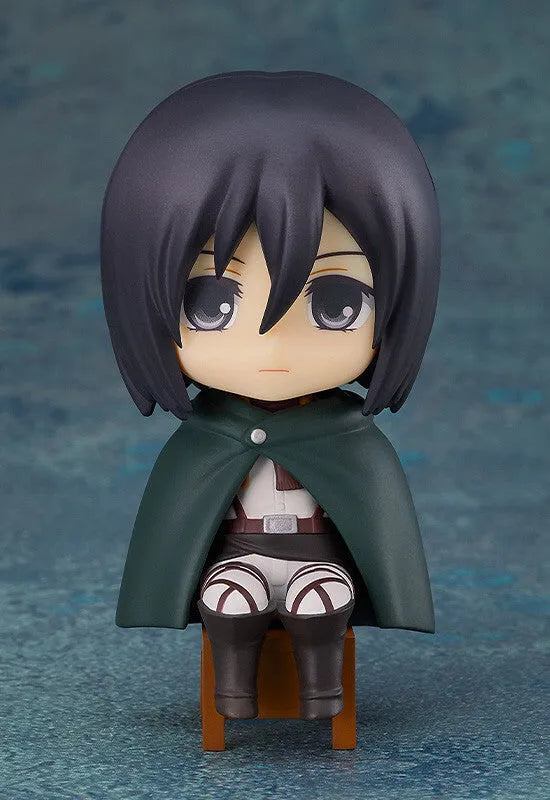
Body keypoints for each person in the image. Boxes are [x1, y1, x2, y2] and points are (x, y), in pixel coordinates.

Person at [100, 70, 440, 723]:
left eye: (336, 303)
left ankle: (323, 694)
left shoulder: (353, 442)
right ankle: (231, 694)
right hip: (241, 558)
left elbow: (377, 525)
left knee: (322, 603)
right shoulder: (202, 442)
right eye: (211, 303)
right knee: (228, 602)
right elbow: (177, 528)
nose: (272, 343)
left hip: (316, 559)